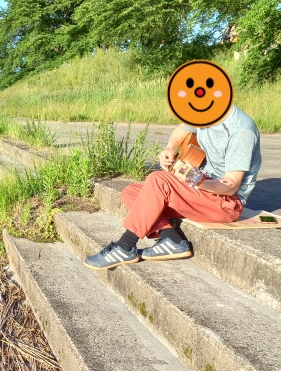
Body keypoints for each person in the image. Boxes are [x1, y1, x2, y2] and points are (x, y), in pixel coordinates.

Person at [84, 104, 261, 270]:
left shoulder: (241, 131)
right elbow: (182, 129)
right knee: (131, 193)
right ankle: (172, 240)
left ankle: (125, 246)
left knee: (158, 180)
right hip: (203, 188)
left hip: (225, 202)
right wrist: (169, 148)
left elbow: (231, 185)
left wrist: (196, 181)